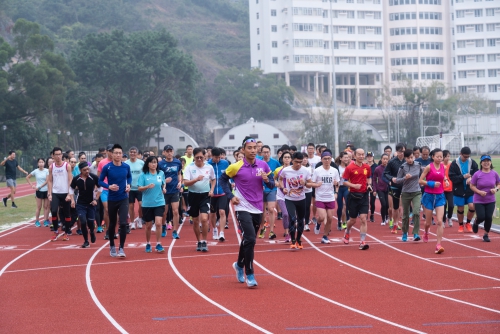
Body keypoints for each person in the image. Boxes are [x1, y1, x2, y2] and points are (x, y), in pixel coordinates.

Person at [220, 137, 274, 287]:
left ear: (257, 150)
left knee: (248, 240)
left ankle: (238, 265)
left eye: (254, 148)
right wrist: (231, 196)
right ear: (243, 150)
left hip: (258, 208)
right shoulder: (236, 167)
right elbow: (222, 180)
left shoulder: (263, 165)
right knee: (250, 239)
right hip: (242, 207)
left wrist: (266, 180)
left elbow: (272, 183)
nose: (252, 150)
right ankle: (250, 273)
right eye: (249, 148)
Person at [98, 144, 132, 258]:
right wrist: (109, 186)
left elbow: (129, 177)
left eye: (120, 153)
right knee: (112, 224)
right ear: (112, 154)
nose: (118, 155)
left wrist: (129, 186)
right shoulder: (107, 167)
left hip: (123, 198)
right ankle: (112, 245)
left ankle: (121, 248)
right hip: (112, 198)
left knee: (123, 223)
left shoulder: (126, 167)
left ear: (122, 154)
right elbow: (100, 181)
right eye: (116, 153)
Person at [183, 148, 216, 252]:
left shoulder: (209, 167)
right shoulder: (189, 168)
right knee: (196, 220)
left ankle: (205, 241)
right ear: (194, 157)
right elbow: (185, 183)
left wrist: (211, 189)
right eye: (197, 157)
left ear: (204, 157)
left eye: (201, 157)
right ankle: (199, 241)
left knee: (205, 219)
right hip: (193, 196)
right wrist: (196, 179)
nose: (199, 159)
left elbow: (213, 179)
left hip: (205, 196)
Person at [278, 152, 312, 249]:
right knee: (292, 218)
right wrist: (283, 187)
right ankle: (293, 239)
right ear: (292, 160)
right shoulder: (286, 170)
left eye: (300, 162)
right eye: (296, 162)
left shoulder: (305, 170)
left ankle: (299, 239)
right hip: (290, 199)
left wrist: (305, 182)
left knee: (301, 220)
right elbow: (280, 180)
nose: (298, 164)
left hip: (301, 198)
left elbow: (310, 184)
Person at [419, 148, 449, 253]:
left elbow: (443, 175)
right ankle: (426, 232)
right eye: (437, 156)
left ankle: (438, 245)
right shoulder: (428, 167)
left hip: (440, 195)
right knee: (428, 223)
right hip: (429, 195)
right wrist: (431, 183)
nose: (439, 158)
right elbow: (420, 181)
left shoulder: (443, 166)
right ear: (433, 157)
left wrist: (445, 180)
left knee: (440, 221)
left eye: (441, 157)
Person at [342, 148, 372, 250]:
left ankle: (362, 241)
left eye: (363, 154)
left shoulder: (367, 167)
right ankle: (347, 231)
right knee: (353, 220)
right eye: (359, 154)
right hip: (353, 196)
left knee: (363, 219)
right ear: (354, 156)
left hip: (364, 196)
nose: (361, 156)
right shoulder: (350, 168)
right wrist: (354, 186)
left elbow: (369, 177)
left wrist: (369, 185)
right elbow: (344, 181)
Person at [310, 151, 340, 244]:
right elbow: (312, 183)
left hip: (330, 197)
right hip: (320, 197)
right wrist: (316, 184)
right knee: (322, 217)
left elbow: (338, 183)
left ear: (331, 159)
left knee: (330, 218)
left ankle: (325, 236)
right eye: (325, 159)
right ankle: (318, 223)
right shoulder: (317, 170)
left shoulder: (334, 170)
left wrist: (336, 190)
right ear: (321, 160)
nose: (327, 160)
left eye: (329, 159)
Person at [138, 156, 167, 252]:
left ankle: (158, 244)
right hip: (147, 203)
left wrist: (164, 188)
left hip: (159, 202)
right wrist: (147, 186)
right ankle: (148, 243)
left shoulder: (161, 173)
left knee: (158, 223)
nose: (154, 164)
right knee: (148, 225)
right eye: (151, 162)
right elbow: (139, 188)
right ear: (148, 164)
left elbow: (163, 183)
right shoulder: (143, 175)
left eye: (155, 162)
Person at [70, 162, 102, 248]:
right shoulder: (76, 179)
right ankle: (86, 241)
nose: (87, 171)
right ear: (80, 170)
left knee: (91, 222)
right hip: (80, 204)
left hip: (91, 203)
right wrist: (72, 200)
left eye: (88, 169)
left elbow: (100, 188)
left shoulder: (93, 177)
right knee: (83, 222)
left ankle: (92, 231)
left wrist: (96, 199)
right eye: (84, 170)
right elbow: (71, 189)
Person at [470, 155, 500, 242]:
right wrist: (479, 192)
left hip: (490, 199)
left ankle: (486, 234)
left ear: (490, 162)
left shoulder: (494, 173)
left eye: (488, 161)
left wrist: (496, 189)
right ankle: (476, 222)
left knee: (488, 217)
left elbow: (498, 184)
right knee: (481, 216)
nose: (486, 163)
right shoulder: (477, 174)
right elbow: (472, 186)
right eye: (484, 161)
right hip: (479, 199)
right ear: (481, 163)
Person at [395, 149, 422, 242]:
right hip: (406, 192)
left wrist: (422, 182)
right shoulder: (402, 167)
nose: (410, 160)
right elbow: (397, 180)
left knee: (416, 212)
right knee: (405, 215)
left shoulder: (418, 165)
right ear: (405, 158)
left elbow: (423, 174)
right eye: (408, 158)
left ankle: (416, 233)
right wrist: (404, 178)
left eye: (411, 157)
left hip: (416, 192)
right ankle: (405, 232)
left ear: (414, 157)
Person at [448, 147, 478, 233]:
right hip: (459, 189)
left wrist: (472, 179)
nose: (466, 158)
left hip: (470, 189)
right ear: (460, 154)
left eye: (468, 156)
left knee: (472, 206)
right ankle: (461, 225)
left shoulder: (472, 163)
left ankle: (468, 223)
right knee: (460, 208)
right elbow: (452, 177)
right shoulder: (454, 163)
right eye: (465, 156)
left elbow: (477, 173)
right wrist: (463, 177)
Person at [48, 147, 73, 241]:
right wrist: (49, 193)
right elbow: (50, 181)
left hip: (65, 192)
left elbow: (70, 180)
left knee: (67, 213)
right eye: (56, 154)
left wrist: (69, 193)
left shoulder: (67, 166)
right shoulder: (51, 167)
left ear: (62, 155)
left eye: (60, 154)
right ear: (53, 156)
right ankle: (55, 231)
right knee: (54, 211)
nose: (58, 156)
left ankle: (66, 232)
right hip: (55, 193)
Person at [159, 144, 183, 239]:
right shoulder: (160, 164)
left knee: (176, 211)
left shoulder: (177, 162)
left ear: (173, 152)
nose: (169, 153)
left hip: (175, 190)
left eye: (170, 151)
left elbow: (179, 173)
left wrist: (180, 182)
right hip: (164, 191)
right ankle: (164, 227)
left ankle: (175, 231)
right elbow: (158, 177)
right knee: (164, 212)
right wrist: (164, 182)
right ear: (164, 152)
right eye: (167, 151)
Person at [258, 145, 281, 239]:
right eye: (264, 152)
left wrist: (278, 182)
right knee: (262, 211)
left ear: (270, 153)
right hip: (260, 189)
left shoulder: (275, 163)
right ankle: (262, 228)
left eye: (268, 152)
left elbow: (281, 173)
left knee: (271, 209)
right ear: (261, 153)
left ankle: (271, 231)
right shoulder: (258, 162)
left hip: (272, 189)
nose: (266, 154)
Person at [207, 147, 230, 242]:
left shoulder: (225, 163)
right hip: (211, 193)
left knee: (222, 212)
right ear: (212, 156)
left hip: (222, 191)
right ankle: (215, 229)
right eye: (216, 157)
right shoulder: (207, 164)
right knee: (212, 214)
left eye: (219, 157)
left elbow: (229, 174)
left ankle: (222, 233)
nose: (217, 159)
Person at [384, 143, 406, 233]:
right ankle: (395, 223)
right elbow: (386, 173)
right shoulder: (392, 162)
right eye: (400, 151)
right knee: (396, 207)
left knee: (404, 207)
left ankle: (403, 224)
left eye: (403, 151)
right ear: (396, 151)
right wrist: (391, 178)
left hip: (406, 187)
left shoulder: (408, 161)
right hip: (395, 186)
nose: (402, 153)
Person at [125, 146, 145, 231]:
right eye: (131, 152)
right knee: (131, 206)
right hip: (130, 188)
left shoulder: (141, 163)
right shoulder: (126, 163)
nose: (133, 154)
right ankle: (132, 222)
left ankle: (140, 219)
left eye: (134, 152)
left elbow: (144, 174)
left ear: (137, 153)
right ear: (129, 153)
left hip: (139, 188)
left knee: (141, 205)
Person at [26, 158, 50, 227]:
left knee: (46, 207)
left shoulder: (47, 171)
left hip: (46, 190)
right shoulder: (35, 171)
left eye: (42, 162)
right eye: (39, 162)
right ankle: (37, 221)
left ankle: (45, 220)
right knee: (39, 207)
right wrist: (32, 185)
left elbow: (47, 181)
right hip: (38, 191)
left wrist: (40, 187)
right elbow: (27, 177)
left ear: (44, 163)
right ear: (37, 164)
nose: (41, 163)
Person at [274, 151, 292, 242]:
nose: (287, 159)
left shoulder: (294, 170)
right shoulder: (278, 170)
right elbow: (273, 179)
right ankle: (287, 233)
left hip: (292, 196)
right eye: (285, 157)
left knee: (291, 215)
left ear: (291, 159)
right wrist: (278, 184)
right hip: (281, 195)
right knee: (285, 214)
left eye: (289, 157)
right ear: (282, 159)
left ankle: (291, 231)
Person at [98, 144, 113, 239]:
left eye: (113, 151)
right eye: (110, 151)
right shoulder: (102, 163)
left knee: (115, 212)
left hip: (116, 190)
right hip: (105, 190)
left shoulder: (118, 162)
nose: (111, 153)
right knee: (107, 210)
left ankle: (113, 230)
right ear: (106, 152)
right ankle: (108, 230)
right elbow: (99, 177)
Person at [306, 143, 321, 225]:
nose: (310, 150)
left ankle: (314, 216)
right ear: (307, 149)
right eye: (309, 148)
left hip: (315, 182)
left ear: (314, 150)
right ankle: (307, 217)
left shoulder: (318, 159)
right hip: (307, 182)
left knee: (315, 201)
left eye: (312, 148)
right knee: (307, 202)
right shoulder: (304, 158)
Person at [373, 154, 389, 226]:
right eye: (384, 159)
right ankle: (383, 219)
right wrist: (375, 189)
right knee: (384, 204)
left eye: (386, 159)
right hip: (380, 189)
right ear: (381, 159)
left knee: (388, 205)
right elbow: (374, 179)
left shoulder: (389, 168)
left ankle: (387, 216)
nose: (385, 160)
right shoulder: (377, 169)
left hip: (388, 189)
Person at [336, 152, 350, 230]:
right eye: (345, 157)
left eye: (347, 157)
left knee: (347, 205)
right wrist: (342, 175)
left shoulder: (349, 167)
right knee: (340, 206)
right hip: (339, 188)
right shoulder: (337, 167)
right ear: (341, 158)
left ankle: (347, 221)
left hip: (347, 188)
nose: (346, 159)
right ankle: (339, 221)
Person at [442, 150, 454, 227]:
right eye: (445, 156)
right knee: (443, 205)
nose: (447, 158)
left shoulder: (452, 164)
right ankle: (443, 220)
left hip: (450, 188)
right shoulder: (440, 165)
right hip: (442, 189)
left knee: (451, 205)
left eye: (448, 156)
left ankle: (449, 217)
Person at [366, 152, 377, 222]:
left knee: (372, 202)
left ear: (373, 157)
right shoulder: (364, 165)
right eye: (368, 156)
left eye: (370, 156)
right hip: (365, 185)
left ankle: (372, 214)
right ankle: (365, 214)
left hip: (373, 186)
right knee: (365, 201)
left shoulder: (376, 166)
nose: (369, 158)